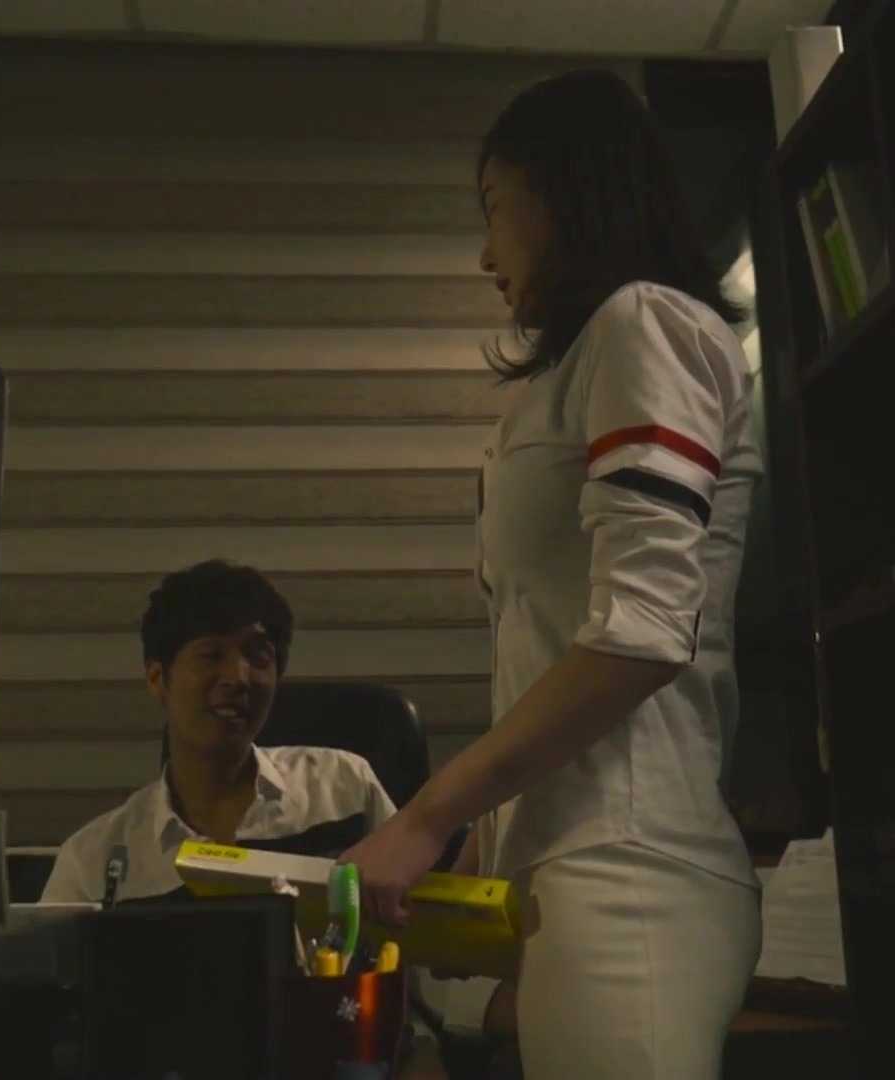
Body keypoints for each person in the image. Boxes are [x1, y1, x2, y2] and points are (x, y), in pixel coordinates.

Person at [337, 69, 765, 1079]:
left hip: (629, 856)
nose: (486, 253)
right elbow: (546, 646)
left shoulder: (645, 323)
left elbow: (642, 634)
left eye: (495, 207)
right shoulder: (563, 379)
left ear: (567, 190)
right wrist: (481, 849)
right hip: (568, 858)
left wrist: (426, 817)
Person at [38, 559, 398, 904]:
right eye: (211, 655)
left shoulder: (344, 790)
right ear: (158, 678)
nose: (237, 677)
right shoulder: (94, 864)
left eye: (258, 656)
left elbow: (414, 923)